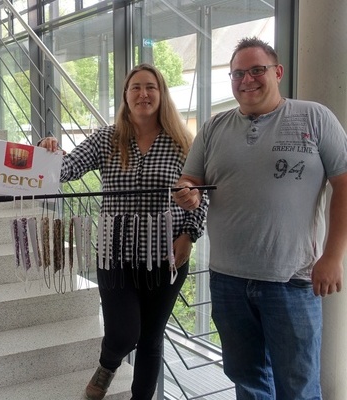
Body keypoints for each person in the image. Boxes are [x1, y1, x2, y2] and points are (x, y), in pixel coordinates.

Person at [174, 37, 347, 399]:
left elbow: (344, 185)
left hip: (292, 280)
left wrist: (333, 256)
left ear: (277, 72)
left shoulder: (315, 117)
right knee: (249, 384)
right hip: (227, 281)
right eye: (238, 73)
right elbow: (190, 179)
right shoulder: (213, 128)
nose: (247, 79)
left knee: (298, 388)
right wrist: (187, 191)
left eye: (257, 70)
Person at [39, 63, 208, 400]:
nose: (143, 94)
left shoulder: (183, 143)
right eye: (136, 87)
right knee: (123, 334)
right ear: (126, 95)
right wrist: (50, 153)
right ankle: (107, 365)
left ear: (161, 94)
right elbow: (69, 168)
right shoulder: (108, 138)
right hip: (115, 254)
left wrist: (189, 235)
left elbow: (202, 193)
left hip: (167, 256)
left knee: (151, 339)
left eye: (150, 87)